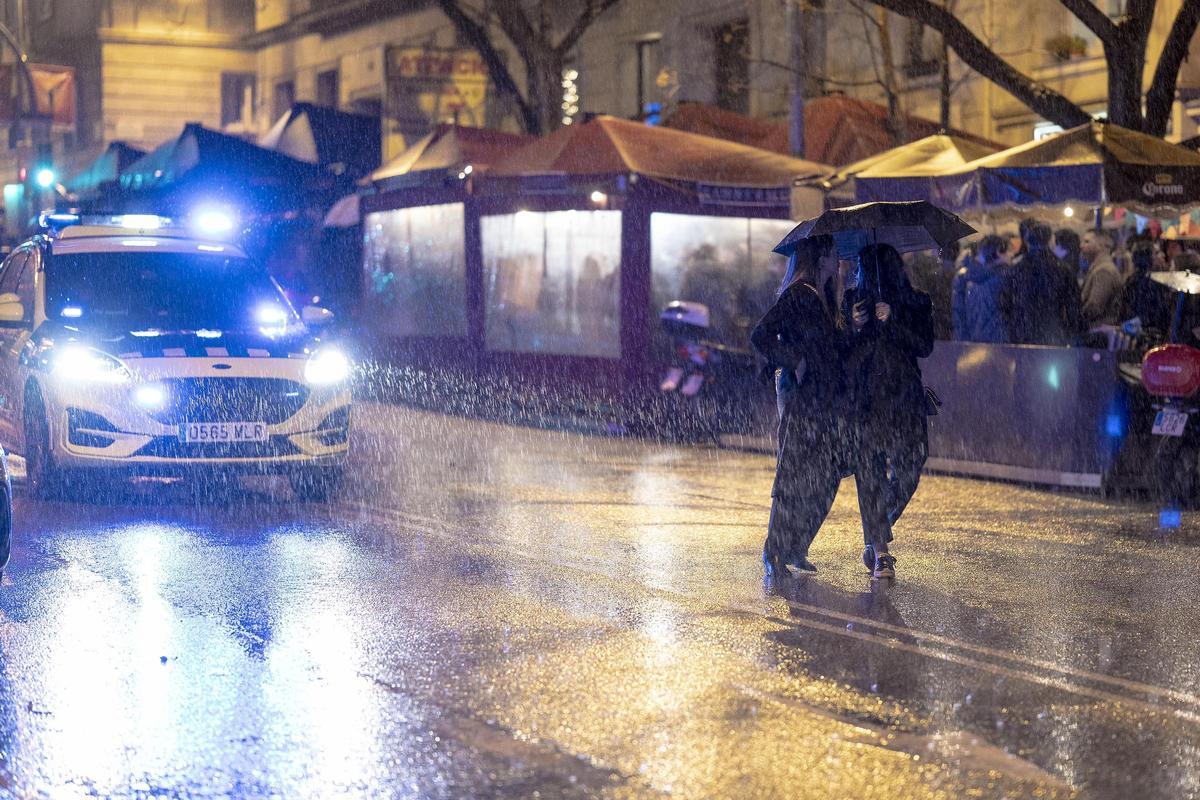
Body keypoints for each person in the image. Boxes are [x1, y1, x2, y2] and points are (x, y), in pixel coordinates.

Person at [751, 234, 846, 580]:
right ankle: (773, 550)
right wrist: (794, 360)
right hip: (803, 396)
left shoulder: (825, 298)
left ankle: (796, 545)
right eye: (834, 253)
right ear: (821, 257)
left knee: (825, 474)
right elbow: (760, 334)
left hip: (824, 398)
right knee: (793, 472)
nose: (839, 260)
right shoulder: (799, 293)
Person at [842, 244, 935, 580]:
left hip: (904, 396)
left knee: (911, 465)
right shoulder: (853, 299)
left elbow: (924, 346)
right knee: (870, 473)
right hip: (865, 399)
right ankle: (881, 550)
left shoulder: (917, 300)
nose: (863, 275)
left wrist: (893, 321)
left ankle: (877, 530)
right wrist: (852, 325)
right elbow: (841, 349)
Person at [999, 222, 1082, 345]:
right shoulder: (1063, 270)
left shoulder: (1014, 271)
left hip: (1022, 335)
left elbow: (1004, 305)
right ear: (1051, 241)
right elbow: (1073, 308)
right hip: (1054, 334)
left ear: (1027, 243)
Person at [952, 234, 1010, 343]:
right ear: (998, 252)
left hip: (973, 344)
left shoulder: (966, 279)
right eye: (1007, 251)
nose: (1010, 255)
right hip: (1001, 344)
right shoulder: (1006, 279)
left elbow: (959, 314)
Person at [1118, 242, 1172, 335]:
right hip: (1146, 332)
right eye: (1156, 253)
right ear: (1149, 258)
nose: (1161, 255)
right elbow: (1155, 312)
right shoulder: (1153, 281)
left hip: (1132, 329)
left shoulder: (1132, 279)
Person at [1080, 229, 1123, 329]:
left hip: (1097, 331)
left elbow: (1094, 307)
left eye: (1087, 242)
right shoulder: (1100, 268)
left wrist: (1076, 317)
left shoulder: (1104, 271)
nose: (1081, 246)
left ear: (1102, 245)